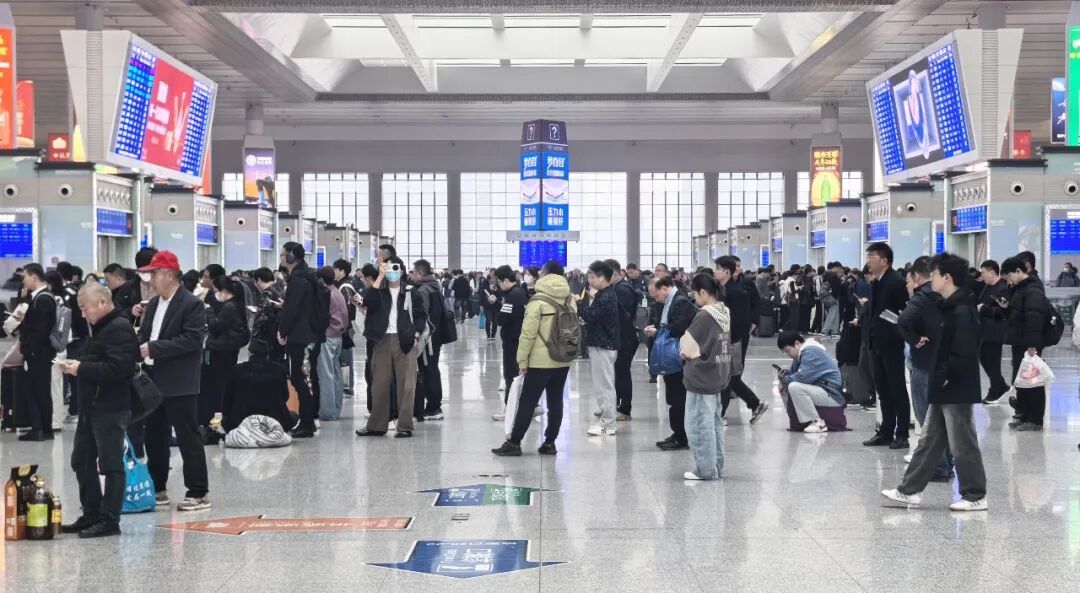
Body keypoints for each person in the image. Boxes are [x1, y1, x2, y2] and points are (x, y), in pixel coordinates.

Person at [881, 252, 987, 511]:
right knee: (929, 440)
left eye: (936, 274)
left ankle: (975, 495)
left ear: (947, 278)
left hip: (956, 386)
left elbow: (964, 354)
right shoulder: (949, 306)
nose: (932, 279)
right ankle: (909, 490)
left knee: (963, 442)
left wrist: (944, 377)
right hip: (943, 385)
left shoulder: (962, 311)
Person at [59, 282, 140, 538]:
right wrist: (79, 363)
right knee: (81, 460)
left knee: (110, 464)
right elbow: (101, 360)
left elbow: (119, 369)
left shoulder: (119, 328)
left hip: (110, 406)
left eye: (85, 308)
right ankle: (91, 513)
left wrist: (81, 368)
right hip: (92, 406)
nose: (83, 314)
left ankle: (109, 520)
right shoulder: (102, 327)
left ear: (102, 303)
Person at [135, 251, 211, 512]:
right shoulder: (154, 304)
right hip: (153, 380)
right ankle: (157, 488)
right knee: (154, 436)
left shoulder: (191, 304)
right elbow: (145, 335)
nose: (150, 280)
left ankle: (198, 492)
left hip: (180, 382)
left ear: (168, 275)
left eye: (154, 274)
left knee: (188, 437)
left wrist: (153, 348)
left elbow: (192, 340)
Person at [492, 261, 575, 456]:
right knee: (556, 401)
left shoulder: (537, 301)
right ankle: (550, 443)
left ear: (544, 275)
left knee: (527, 401)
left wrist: (522, 360)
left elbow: (527, 335)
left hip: (540, 360)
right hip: (563, 357)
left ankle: (514, 442)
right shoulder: (569, 299)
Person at [355, 257, 426, 438]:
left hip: (405, 340)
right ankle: (376, 426)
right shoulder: (378, 290)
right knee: (379, 385)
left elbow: (420, 315)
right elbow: (368, 302)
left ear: (401, 271)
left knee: (406, 385)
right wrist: (379, 277)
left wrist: (416, 334)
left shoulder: (411, 292)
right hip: (381, 340)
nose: (392, 271)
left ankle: (404, 426)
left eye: (395, 268)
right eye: (388, 268)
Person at [896, 257, 952, 478]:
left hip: (925, 363)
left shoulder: (922, 297)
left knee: (926, 415)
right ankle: (947, 463)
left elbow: (903, 321)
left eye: (908, 280)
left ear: (916, 276)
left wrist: (914, 339)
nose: (907, 284)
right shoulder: (948, 294)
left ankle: (938, 466)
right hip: (947, 363)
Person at [681, 274, 733, 480]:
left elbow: (687, 345)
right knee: (714, 424)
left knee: (698, 425)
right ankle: (717, 467)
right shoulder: (724, 311)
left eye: (695, 293)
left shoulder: (704, 315)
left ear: (702, 292)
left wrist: (684, 351)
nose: (694, 298)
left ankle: (704, 470)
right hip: (718, 373)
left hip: (701, 376)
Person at [862, 242, 911, 450]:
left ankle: (902, 433)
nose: (868, 261)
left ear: (884, 260)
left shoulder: (896, 282)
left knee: (897, 388)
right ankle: (886, 431)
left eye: (871, 257)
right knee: (883, 389)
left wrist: (895, 333)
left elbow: (903, 313)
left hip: (892, 343)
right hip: (878, 342)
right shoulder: (877, 282)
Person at [277, 242, 327, 439]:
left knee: (302, 379)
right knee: (309, 378)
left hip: (302, 336)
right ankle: (310, 418)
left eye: (283, 254)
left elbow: (292, 309)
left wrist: (282, 330)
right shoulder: (310, 275)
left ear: (290, 257)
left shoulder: (298, 279)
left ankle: (307, 423)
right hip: (312, 334)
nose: (281, 258)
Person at [715, 256, 768, 424]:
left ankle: (720, 414)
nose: (715, 272)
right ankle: (755, 404)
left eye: (717, 269)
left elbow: (737, 319)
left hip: (732, 340)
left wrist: (731, 340)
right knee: (731, 377)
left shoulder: (736, 291)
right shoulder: (723, 289)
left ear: (726, 272)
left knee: (727, 377)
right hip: (727, 339)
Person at [1001, 256, 1052, 431]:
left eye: (1010, 276)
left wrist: (1032, 346)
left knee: (1033, 383)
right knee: (1023, 382)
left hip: (1029, 344)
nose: (1009, 280)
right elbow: (1020, 314)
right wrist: (1006, 309)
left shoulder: (1033, 289)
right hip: (1020, 341)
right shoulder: (1021, 288)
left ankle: (1035, 420)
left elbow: (1035, 318)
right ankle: (1025, 416)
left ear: (1018, 271)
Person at [645, 276, 695, 451]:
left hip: (678, 357)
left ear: (664, 288)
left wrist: (659, 331)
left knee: (678, 398)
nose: (656, 299)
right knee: (673, 398)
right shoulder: (671, 301)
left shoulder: (680, 302)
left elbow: (679, 328)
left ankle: (682, 437)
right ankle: (677, 433)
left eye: (656, 295)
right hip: (673, 357)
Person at [202, 275, 250, 439]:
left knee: (219, 385)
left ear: (223, 291)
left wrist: (208, 311)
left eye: (216, 291)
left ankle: (219, 420)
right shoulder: (235, 305)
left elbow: (215, 325)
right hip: (229, 349)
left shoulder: (229, 307)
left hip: (222, 350)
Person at [14, 264, 58, 441]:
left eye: (25, 276)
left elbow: (41, 329)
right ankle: (43, 428)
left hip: (39, 353)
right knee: (40, 389)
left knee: (37, 390)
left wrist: (31, 350)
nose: (23, 280)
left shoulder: (43, 299)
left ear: (34, 277)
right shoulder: (41, 297)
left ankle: (40, 428)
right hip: (41, 352)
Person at [582, 260, 621, 437]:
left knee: (604, 386)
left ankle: (608, 424)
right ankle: (607, 419)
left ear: (603, 278)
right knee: (603, 385)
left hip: (603, 346)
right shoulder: (603, 294)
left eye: (592, 277)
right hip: (601, 344)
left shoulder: (606, 297)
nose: (589, 280)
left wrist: (577, 305)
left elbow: (591, 316)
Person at [776, 331, 844, 433]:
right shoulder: (801, 353)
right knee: (783, 385)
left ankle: (817, 423)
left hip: (832, 394)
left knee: (794, 387)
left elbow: (802, 377)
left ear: (797, 343)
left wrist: (785, 379)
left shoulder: (811, 352)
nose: (787, 354)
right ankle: (797, 420)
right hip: (822, 390)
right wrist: (784, 376)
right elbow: (795, 375)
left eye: (787, 350)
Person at [411, 259, 447, 421]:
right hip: (436, 335)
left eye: (413, 272)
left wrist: (417, 333)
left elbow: (422, 316)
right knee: (432, 368)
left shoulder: (423, 290)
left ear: (419, 273)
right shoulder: (434, 286)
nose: (411, 275)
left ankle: (433, 407)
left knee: (428, 370)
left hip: (428, 338)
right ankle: (434, 405)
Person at [605, 259, 639, 421]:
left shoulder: (623, 289)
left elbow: (619, 315)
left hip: (625, 338)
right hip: (619, 337)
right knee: (617, 373)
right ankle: (616, 404)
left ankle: (625, 408)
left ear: (615, 273)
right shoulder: (616, 288)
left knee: (622, 373)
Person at [493, 265, 528, 419]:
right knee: (519, 375)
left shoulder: (513, 296)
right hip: (519, 339)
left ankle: (511, 410)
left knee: (511, 375)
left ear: (506, 280)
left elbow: (501, 319)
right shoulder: (521, 292)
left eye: (499, 282)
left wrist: (497, 306)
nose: (499, 285)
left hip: (512, 341)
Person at [315, 266, 348, 421]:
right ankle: (335, 408)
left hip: (327, 337)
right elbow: (345, 316)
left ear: (321, 280)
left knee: (326, 374)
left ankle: (328, 412)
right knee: (335, 373)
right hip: (338, 336)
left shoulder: (326, 294)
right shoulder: (338, 292)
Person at [976, 260, 1010, 404]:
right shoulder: (987, 286)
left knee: (992, 361)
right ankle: (1000, 386)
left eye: (983, 272)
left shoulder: (1002, 288)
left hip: (995, 331)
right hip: (984, 330)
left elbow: (1003, 311)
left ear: (991, 272)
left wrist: (984, 309)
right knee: (984, 358)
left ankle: (996, 389)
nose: (982, 275)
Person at [480, 275, 501, 340]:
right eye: (492, 278)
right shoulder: (484, 287)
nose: (493, 280)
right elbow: (481, 297)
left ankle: (493, 334)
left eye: (494, 278)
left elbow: (500, 297)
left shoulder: (498, 287)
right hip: (487, 306)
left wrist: (496, 291)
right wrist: (481, 306)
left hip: (496, 306)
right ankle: (488, 334)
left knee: (495, 321)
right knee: (488, 319)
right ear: (488, 280)